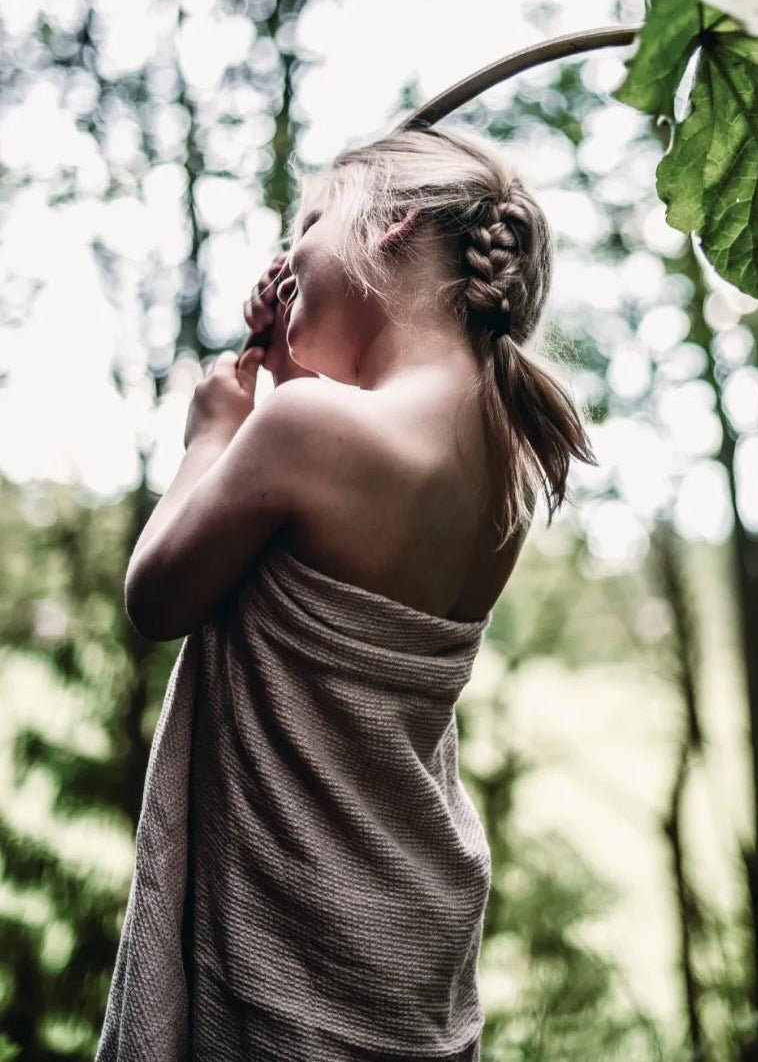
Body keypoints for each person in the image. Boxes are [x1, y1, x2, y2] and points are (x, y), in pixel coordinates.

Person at [99, 123, 597, 1062]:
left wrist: (213, 430)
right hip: (405, 927)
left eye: (312, 221)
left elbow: (155, 599)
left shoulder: (300, 427)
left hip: (291, 924)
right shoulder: (503, 461)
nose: (289, 255)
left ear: (390, 224)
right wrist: (290, 379)